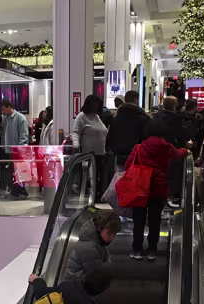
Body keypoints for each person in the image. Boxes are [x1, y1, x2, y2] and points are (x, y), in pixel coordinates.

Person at [123, 115, 186, 261]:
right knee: (154, 220)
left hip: (140, 188)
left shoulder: (139, 147)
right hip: (159, 187)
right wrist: (185, 151)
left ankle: (137, 249)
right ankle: (152, 250)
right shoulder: (167, 147)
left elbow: (127, 166)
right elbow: (178, 154)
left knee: (138, 219)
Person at [106, 90, 150, 182]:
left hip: (118, 156)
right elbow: (146, 138)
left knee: (119, 182)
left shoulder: (116, 117)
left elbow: (111, 135)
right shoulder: (143, 117)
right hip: (136, 157)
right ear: (135, 100)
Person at [65, 211, 122, 281]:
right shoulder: (89, 247)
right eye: (109, 233)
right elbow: (98, 271)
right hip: (77, 285)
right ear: (99, 228)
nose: (112, 238)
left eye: (114, 234)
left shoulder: (96, 238)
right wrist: (107, 262)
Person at [72, 95, 110, 196]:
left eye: (97, 104)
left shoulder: (97, 117)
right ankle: (90, 196)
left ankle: (96, 195)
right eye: (94, 103)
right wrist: (76, 145)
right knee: (91, 177)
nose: (96, 106)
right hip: (88, 154)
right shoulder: (82, 116)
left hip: (100, 153)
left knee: (98, 177)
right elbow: (75, 132)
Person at [0, 100, 30, 199]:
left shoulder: (20, 118)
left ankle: (22, 192)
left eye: (4, 109)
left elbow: (24, 136)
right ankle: (15, 191)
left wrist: (19, 150)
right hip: (8, 150)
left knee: (19, 172)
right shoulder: (6, 119)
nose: (3, 111)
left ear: (9, 107)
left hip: (17, 151)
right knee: (10, 173)